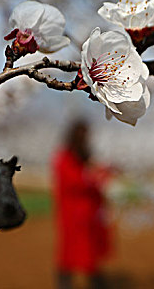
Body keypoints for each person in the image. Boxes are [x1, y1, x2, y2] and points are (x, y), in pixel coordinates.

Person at [52, 119, 112, 289]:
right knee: (71, 251)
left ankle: (95, 281)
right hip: (73, 213)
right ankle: (67, 283)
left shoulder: (83, 156)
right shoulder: (64, 156)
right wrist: (94, 177)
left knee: (90, 251)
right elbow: (74, 181)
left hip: (89, 213)